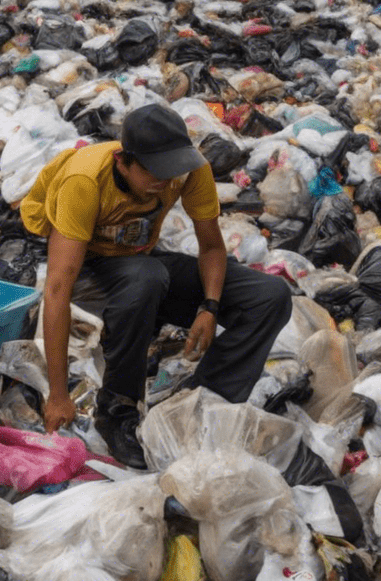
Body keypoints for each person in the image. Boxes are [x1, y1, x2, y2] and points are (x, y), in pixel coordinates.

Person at [20, 102, 293, 468]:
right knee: (148, 278)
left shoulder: (188, 169)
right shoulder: (83, 181)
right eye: (154, 172)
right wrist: (57, 395)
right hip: (87, 270)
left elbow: (212, 247)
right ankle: (117, 408)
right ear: (123, 161)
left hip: (139, 259)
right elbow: (57, 288)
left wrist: (209, 308)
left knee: (270, 296)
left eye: (171, 170)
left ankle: (204, 402)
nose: (165, 181)